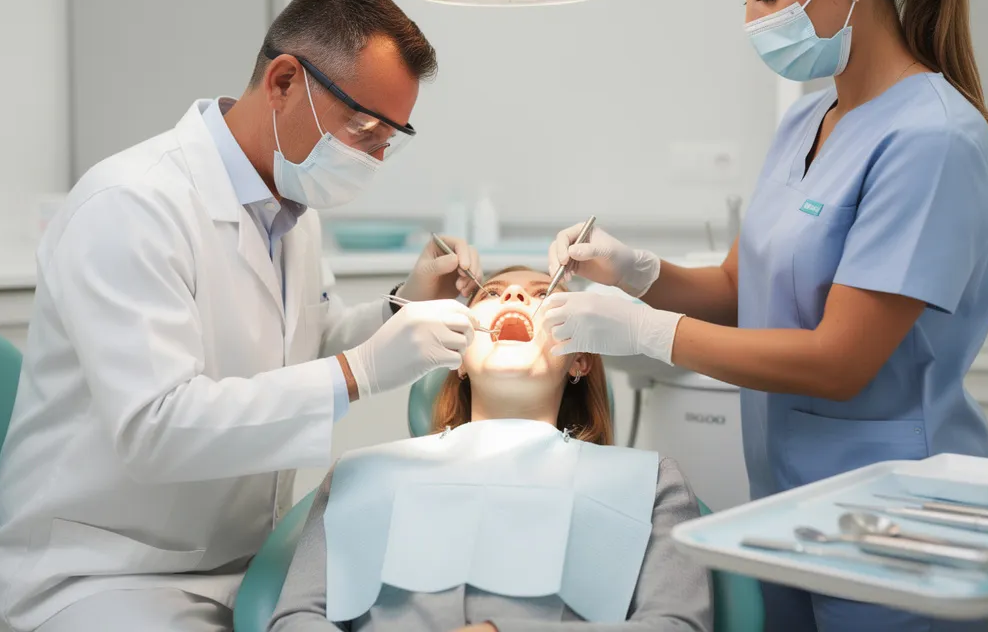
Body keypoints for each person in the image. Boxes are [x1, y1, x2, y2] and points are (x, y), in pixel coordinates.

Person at [537, 0, 988, 630]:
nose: (755, 19)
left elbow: (840, 361)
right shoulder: (805, 123)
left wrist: (646, 334)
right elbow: (739, 286)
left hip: (899, 518)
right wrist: (635, 272)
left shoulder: (933, 140)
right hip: (790, 503)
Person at [0, 0, 486, 632]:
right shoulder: (132, 207)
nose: (378, 156)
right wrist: (360, 374)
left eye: (392, 137)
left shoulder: (290, 207)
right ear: (283, 82)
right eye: (364, 129)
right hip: (97, 575)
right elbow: (156, 427)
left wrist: (400, 308)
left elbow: (306, 342)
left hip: (237, 562)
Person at [268, 267, 713, 632]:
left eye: (545, 293)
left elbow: (676, 626)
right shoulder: (358, 476)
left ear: (580, 357)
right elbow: (295, 620)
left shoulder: (650, 485)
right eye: (492, 293)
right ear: (456, 354)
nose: (516, 296)